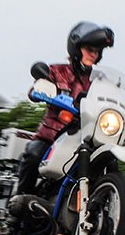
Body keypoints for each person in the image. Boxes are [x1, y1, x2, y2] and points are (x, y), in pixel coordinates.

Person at [16, 21, 114, 195]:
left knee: (111, 161)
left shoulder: (100, 82)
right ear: (76, 48)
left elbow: (114, 104)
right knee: (32, 155)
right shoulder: (57, 71)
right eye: (89, 49)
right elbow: (35, 90)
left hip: (87, 137)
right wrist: (41, 89)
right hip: (53, 137)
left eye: (97, 51)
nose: (93, 54)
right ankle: (20, 203)